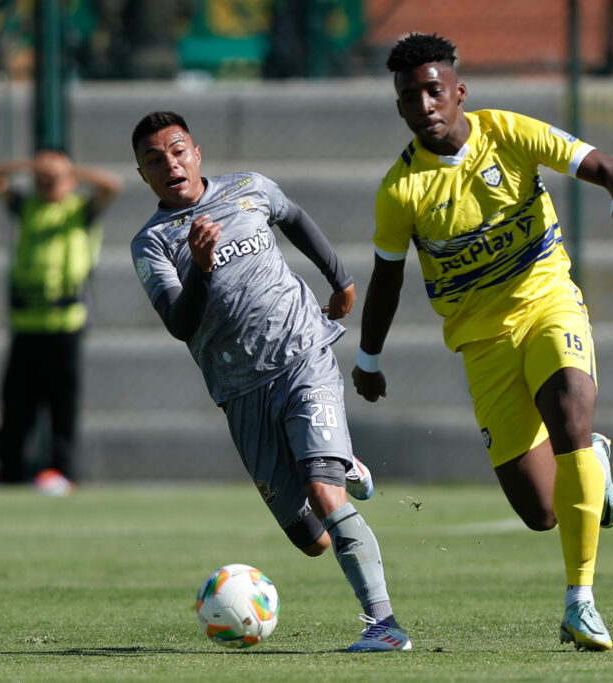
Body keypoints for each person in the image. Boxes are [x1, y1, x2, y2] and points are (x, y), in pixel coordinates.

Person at [352, 33, 613, 651]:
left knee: (570, 409)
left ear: (458, 92)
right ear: (401, 109)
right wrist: (368, 357)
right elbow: (387, 278)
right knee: (541, 513)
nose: (425, 104)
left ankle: (581, 603)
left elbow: (611, 169)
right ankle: (592, 462)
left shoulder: (509, 133)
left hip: (549, 303)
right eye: (410, 97)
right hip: (481, 341)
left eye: (434, 90)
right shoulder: (400, 190)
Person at [128, 111, 411, 652]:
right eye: (154, 160)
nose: (170, 164)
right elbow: (179, 324)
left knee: (323, 493)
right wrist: (203, 268)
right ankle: (343, 463)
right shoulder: (154, 244)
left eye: (178, 150)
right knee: (312, 540)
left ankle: (384, 625)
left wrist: (341, 279)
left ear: (197, 153)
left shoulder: (248, 190)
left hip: (303, 358)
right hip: (239, 391)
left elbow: (295, 217)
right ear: (143, 175)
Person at [0, 149, 123, 494]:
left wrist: (68, 169)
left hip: (66, 324)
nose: (47, 181)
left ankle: (62, 471)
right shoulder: (28, 206)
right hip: (27, 323)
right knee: (16, 402)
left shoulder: (80, 210)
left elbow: (113, 185)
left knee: (62, 404)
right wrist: (30, 165)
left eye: (55, 176)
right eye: (42, 176)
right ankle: (9, 470)